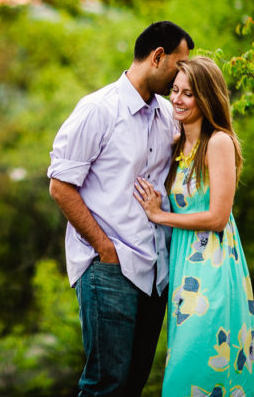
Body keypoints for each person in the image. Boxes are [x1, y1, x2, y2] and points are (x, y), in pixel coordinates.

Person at [47, 21, 193, 396]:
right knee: (104, 386)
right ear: (157, 57)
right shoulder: (98, 109)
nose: (183, 73)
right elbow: (61, 186)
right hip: (108, 267)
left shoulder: (166, 114)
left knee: (132, 385)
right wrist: (105, 250)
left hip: (155, 269)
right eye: (180, 64)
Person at [134, 56, 254, 396]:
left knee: (198, 367)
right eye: (174, 90)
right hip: (184, 270)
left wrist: (160, 215)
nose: (177, 99)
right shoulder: (175, 147)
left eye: (189, 93)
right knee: (185, 368)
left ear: (206, 98)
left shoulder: (218, 142)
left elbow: (218, 216)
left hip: (214, 270)